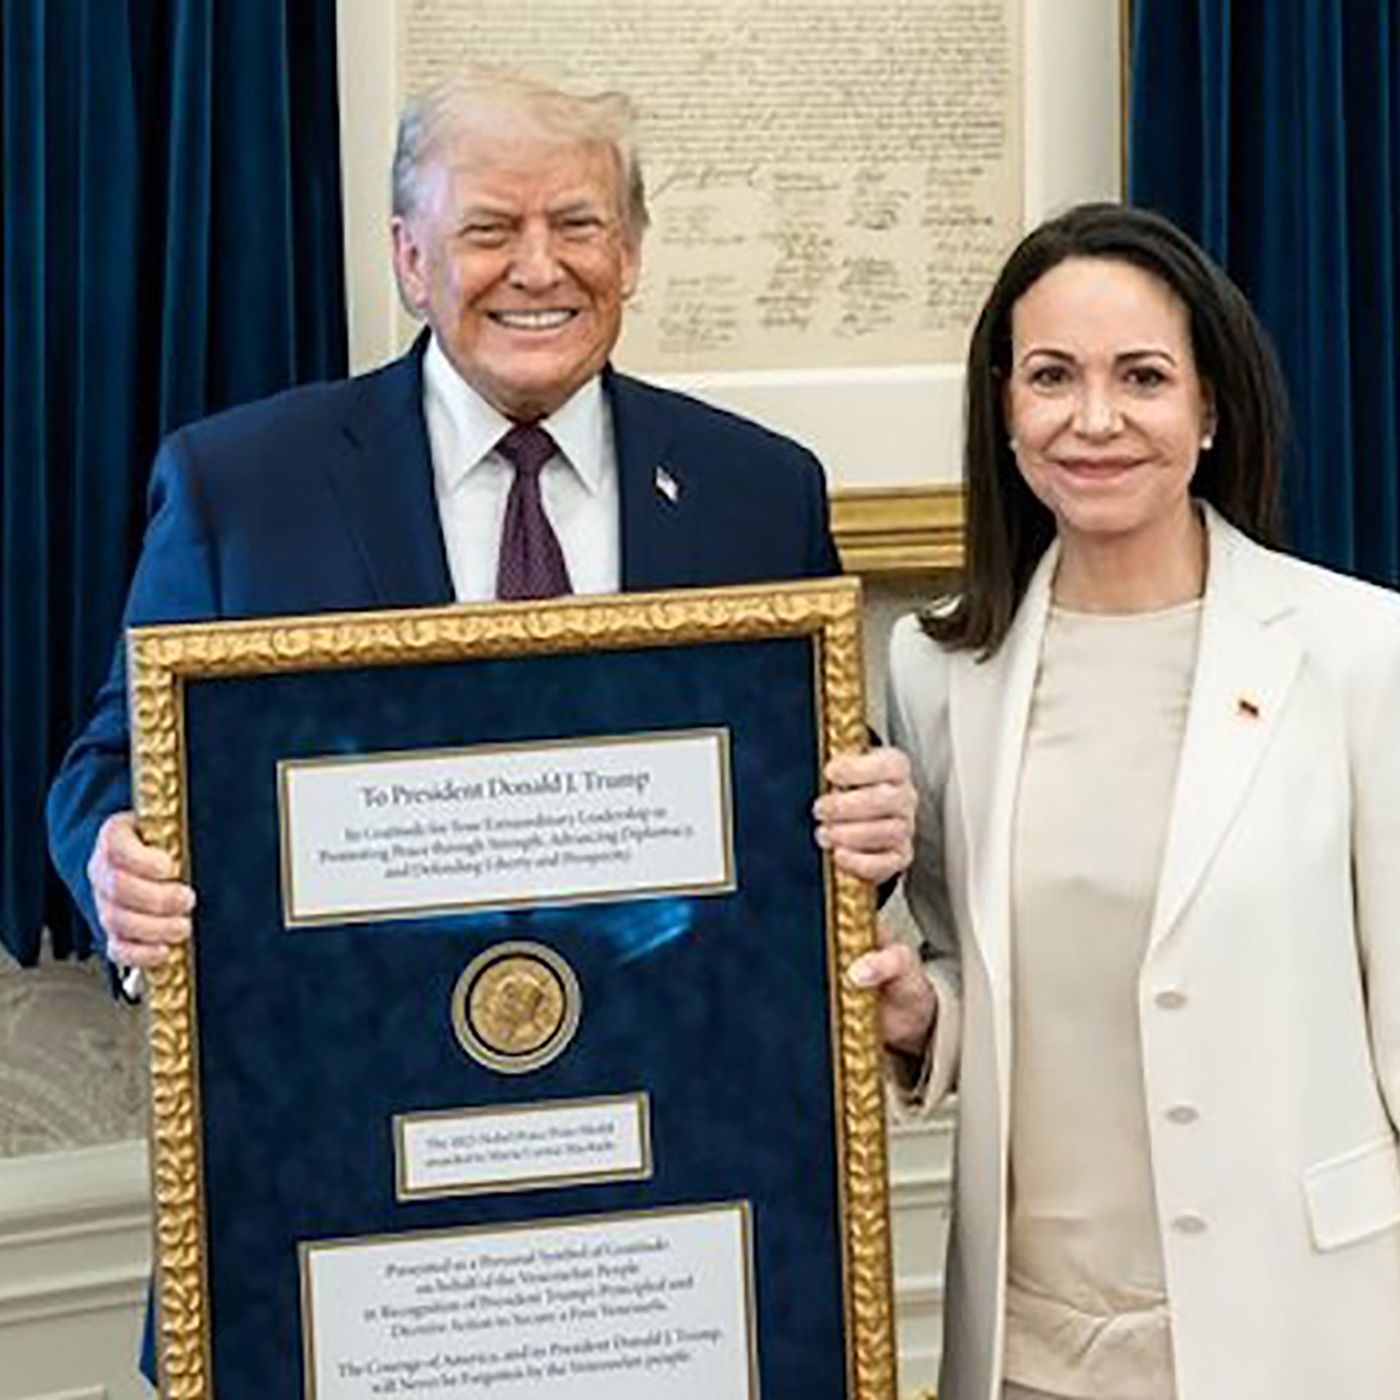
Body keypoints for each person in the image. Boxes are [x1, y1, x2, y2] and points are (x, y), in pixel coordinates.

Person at [47, 68, 914, 978]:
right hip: (350, 1066)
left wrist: (873, 815)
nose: (539, 269)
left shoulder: (761, 491)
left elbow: (812, 777)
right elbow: (114, 763)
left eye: (578, 226)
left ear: (631, 253)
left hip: (676, 1060)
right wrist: (117, 863)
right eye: (489, 230)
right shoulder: (240, 490)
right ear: (411, 259)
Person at [849, 202, 1400, 1400]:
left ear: (1207, 408)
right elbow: (967, 969)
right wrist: (913, 1014)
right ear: (1002, 409)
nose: (1092, 419)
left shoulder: (1360, 650)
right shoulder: (937, 670)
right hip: (1029, 1345)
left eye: (1140, 377)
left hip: (1305, 1329)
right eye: (1050, 376)